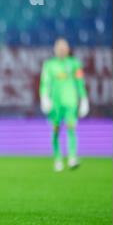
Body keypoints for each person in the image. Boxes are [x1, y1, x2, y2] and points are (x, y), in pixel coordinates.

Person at [39, 38, 89, 172]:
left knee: (71, 129)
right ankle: (58, 158)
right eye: (59, 47)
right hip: (55, 104)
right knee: (55, 131)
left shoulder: (74, 64)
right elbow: (45, 82)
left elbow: (80, 82)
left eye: (63, 47)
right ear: (55, 49)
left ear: (68, 49)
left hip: (70, 102)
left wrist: (84, 99)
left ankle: (72, 157)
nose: (61, 50)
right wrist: (44, 97)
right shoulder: (49, 65)